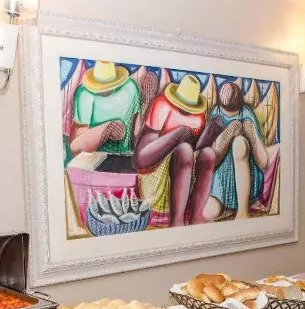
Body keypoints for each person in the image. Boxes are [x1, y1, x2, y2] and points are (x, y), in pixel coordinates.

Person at [133, 74, 217, 227]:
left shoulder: (199, 116)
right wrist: (178, 135)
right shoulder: (162, 105)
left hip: (185, 169)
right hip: (155, 169)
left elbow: (197, 147)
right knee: (184, 150)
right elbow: (141, 159)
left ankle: (196, 216)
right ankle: (177, 220)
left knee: (209, 154)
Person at [200, 81, 279, 220]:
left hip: (244, 167)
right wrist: (228, 132)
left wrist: (249, 131)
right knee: (209, 212)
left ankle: (242, 210)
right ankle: (228, 208)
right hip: (221, 175)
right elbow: (211, 154)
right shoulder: (216, 113)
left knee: (239, 143)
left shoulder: (246, 113)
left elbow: (263, 162)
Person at [68, 60, 142, 173]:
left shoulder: (130, 87)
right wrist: (107, 129)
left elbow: (137, 127)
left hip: (123, 155)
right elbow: (76, 142)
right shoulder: (84, 93)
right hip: (93, 155)